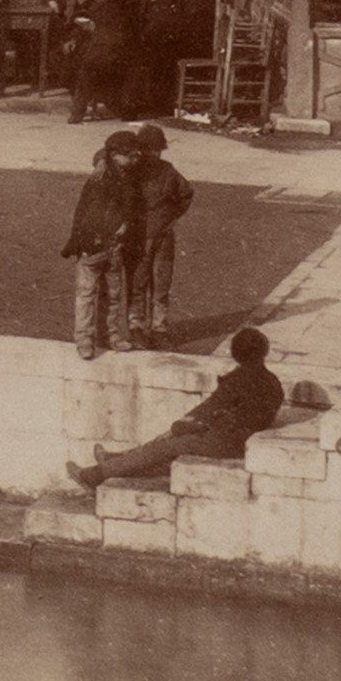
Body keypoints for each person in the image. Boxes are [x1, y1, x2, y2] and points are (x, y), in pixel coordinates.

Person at [69, 327, 284, 492]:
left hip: (223, 441)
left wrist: (177, 427)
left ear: (237, 354)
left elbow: (208, 409)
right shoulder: (273, 382)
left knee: (163, 447)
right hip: (238, 439)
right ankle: (115, 460)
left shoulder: (237, 381)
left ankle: (94, 475)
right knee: (165, 450)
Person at [60, 132, 140, 358]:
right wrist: (88, 242)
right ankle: (84, 339)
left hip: (113, 245)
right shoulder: (100, 181)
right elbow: (87, 214)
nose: (135, 160)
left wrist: (125, 224)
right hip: (93, 245)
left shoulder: (123, 174)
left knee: (113, 294)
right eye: (130, 156)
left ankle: (109, 335)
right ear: (114, 155)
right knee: (87, 294)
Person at [120, 122, 193, 345]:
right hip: (138, 237)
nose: (154, 154)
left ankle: (159, 328)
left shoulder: (169, 171)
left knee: (162, 284)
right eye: (149, 149)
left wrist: (171, 218)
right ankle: (136, 327)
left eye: (158, 150)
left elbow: (186, 194)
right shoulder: (131, 172)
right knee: (137, 282)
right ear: (140, 149)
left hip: (163, 237)